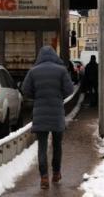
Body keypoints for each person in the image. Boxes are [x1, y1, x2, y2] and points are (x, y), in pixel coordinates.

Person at [22, 46, 74, 190]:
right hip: (57, 113)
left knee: (42, 147)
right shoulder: (61, 70)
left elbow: (25, 91)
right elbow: (70, 90)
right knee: (57, 146)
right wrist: (59, 97)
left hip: (40, 114)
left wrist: (38, 97)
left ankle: (44, 177)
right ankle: (56, 174)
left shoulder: (33, 71)